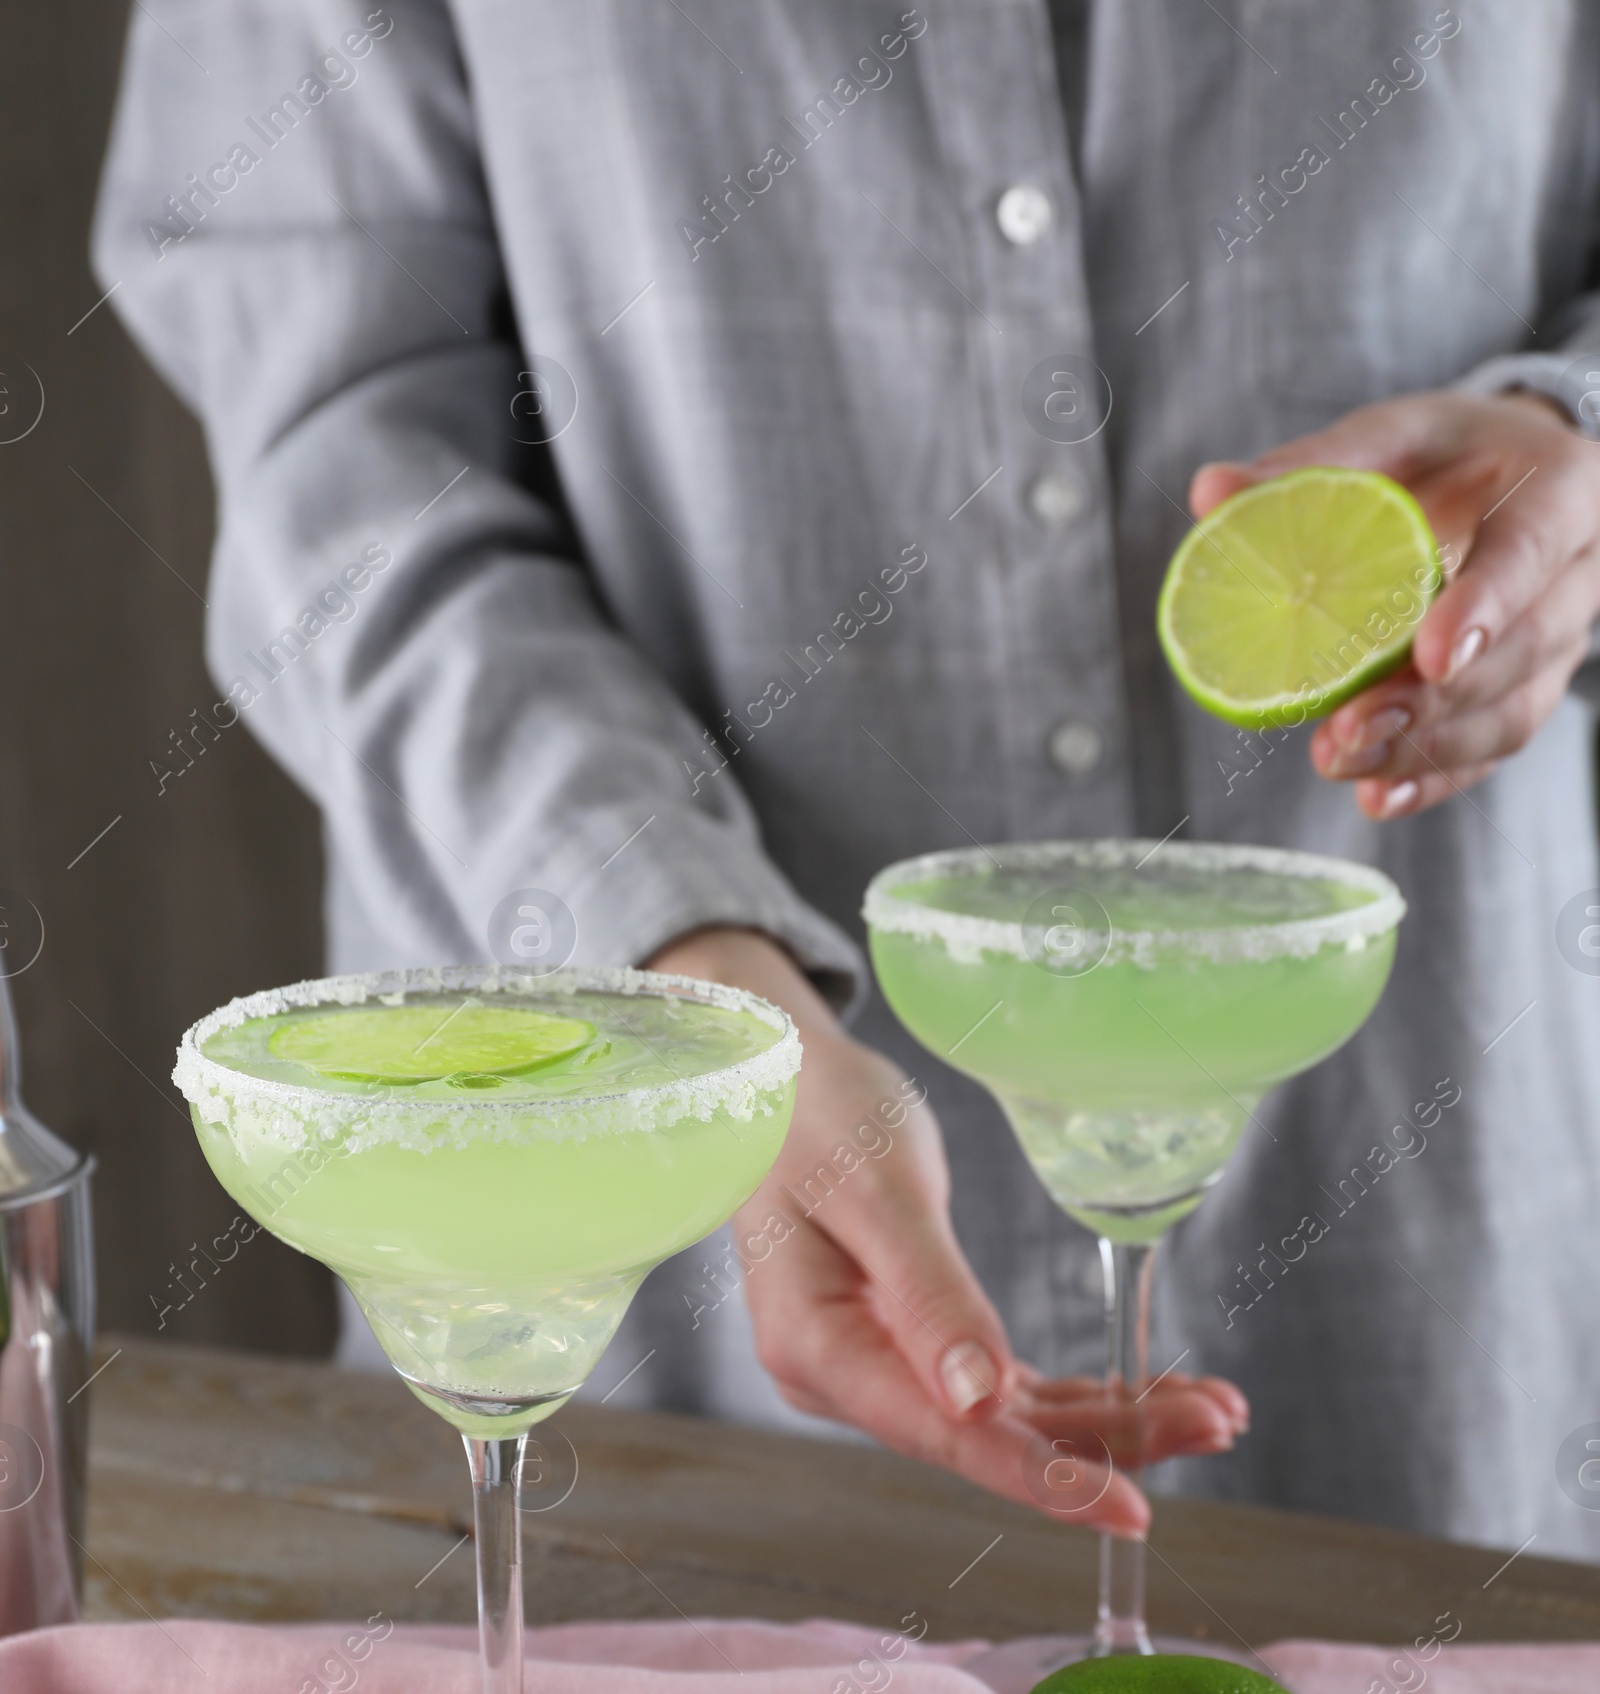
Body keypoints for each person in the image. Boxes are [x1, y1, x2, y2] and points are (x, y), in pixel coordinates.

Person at [93, 3, 1600, 1558]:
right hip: (646, 1315)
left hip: (1437, 1266)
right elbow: (338, 454)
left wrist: (1583, 433)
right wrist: (684, 975)